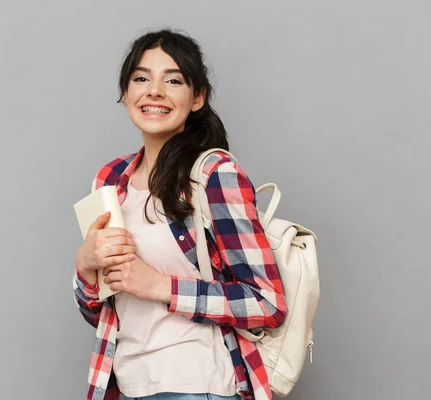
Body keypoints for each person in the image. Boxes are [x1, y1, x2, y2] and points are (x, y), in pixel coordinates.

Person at [73, 29, 287, 400]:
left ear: (197, 97)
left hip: (196, 385)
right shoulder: (109, 180)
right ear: (126, 93)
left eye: (173, 80)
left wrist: (159, 286)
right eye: (142, 78)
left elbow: (267, 303)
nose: (154, 91)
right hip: (127, 383)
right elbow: (105, 313)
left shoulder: (213, 175)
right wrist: (86, 266)